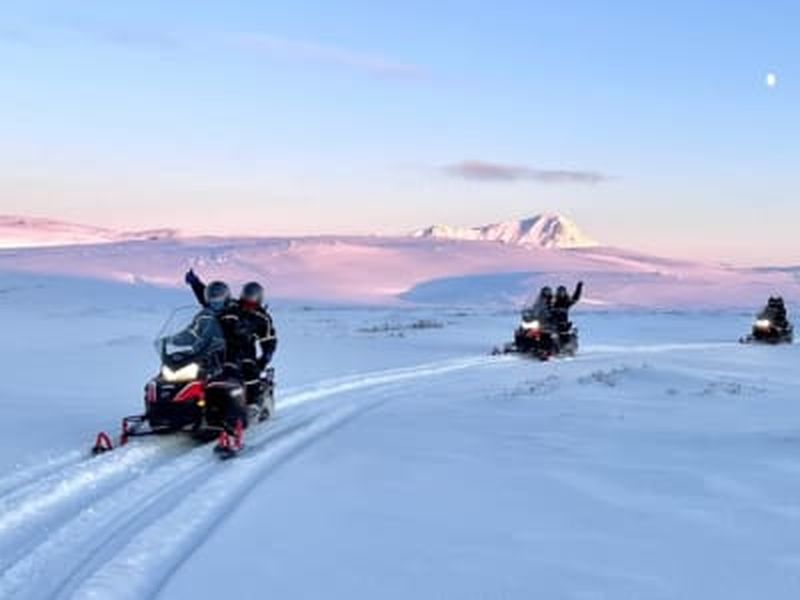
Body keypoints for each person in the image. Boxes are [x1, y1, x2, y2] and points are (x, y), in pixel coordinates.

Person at [185, 270, 277, 418]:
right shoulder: (232, 306)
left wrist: (265, 357)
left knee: (248, 367)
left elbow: (268, 339)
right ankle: (189, 403)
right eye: (246, 298)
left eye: (252, 300)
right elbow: (210, 300)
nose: (248, 304)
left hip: (244, 350)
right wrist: (195, 283)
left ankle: (252, 403)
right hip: (218, 346)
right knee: (199, 368)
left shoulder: (262, 317)